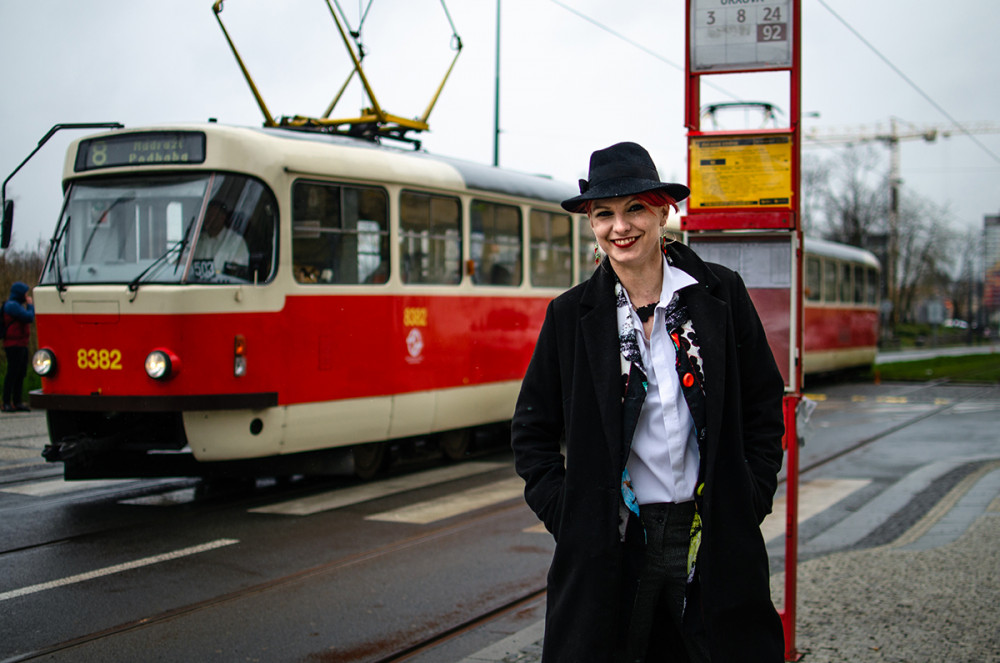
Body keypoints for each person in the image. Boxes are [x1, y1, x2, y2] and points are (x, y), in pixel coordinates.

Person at [511, 142, 786, 662]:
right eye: (604, 214)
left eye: (635, 208)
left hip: (712, 532)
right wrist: (569, 514)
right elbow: (532, 433)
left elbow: (762, 405)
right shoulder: (571, 316)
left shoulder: (720, 296)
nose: (621, 226)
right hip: (614, 541)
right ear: (591, 224)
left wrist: (750, 495)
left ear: (663, 212)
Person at [192, 199, 250, 281]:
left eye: (212, 215)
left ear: (222, 217)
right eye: (206, 215)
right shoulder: (196, 240)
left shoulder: (236, 242)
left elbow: (239, 273)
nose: (208, 219)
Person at [3, 281, 35, 412]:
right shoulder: (12, 306)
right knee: (12, 373)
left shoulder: (16, 305)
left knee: (20, 373)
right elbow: (28, 317)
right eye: (25, 294)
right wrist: (30, 306)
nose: (26, 296)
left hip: (21, 344)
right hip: (13, 345)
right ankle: (6, 402)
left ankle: (17, 401)